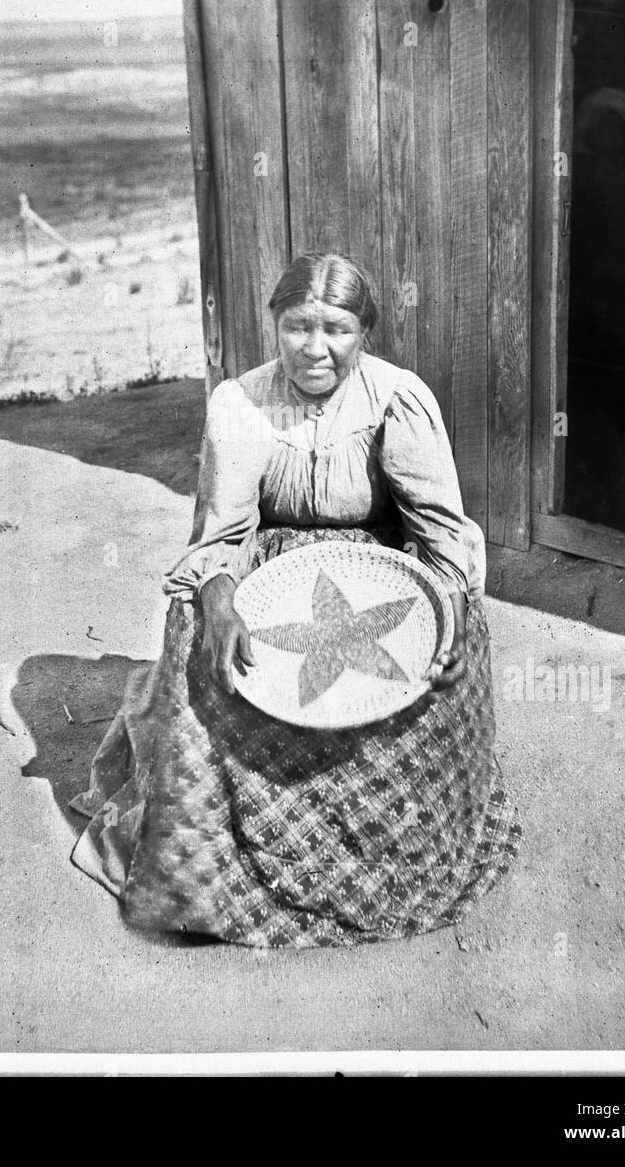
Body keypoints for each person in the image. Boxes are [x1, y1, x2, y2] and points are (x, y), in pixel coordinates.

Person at [69, 253, 521, 947]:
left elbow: (439, 533)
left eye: (336, 329)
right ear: (274, 326)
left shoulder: (397, 400)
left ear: (365, 331)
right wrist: (220, 604)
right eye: (297, 327)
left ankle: (397, 858)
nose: (316, 348)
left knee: (444, 663)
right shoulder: (241, 403)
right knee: (198, 636)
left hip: (384, 571)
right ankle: (218, 872)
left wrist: (450, 609)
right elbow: (222, 535)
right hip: (272, 567)